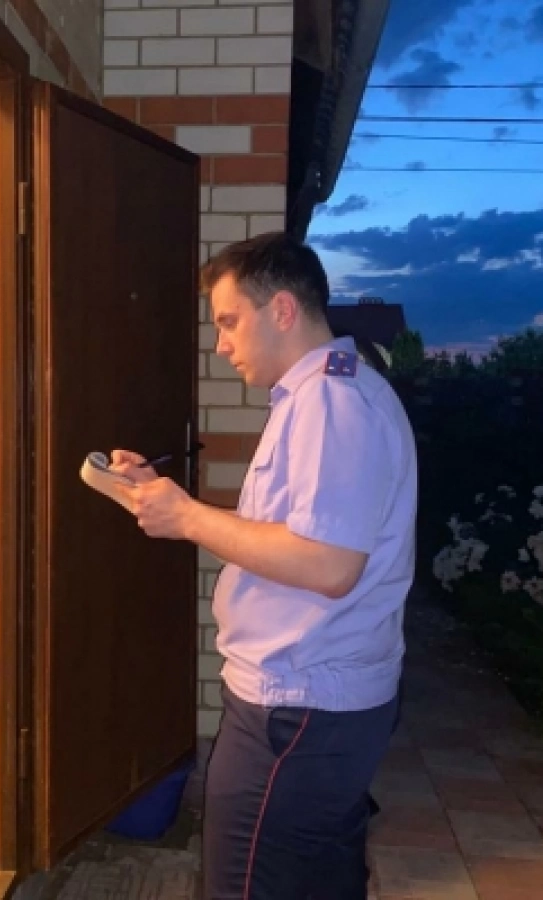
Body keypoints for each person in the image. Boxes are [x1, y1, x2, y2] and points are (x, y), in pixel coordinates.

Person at [109, 231, 418, 899]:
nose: (220, 343)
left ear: (281, 309)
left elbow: (330, 565)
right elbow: (294, 537)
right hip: (314, 703)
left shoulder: (330, 403)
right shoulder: (330, 394)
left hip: (297, 709)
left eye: (228, 321)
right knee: (316, 878)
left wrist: (187, 517)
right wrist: (166, 499)